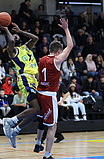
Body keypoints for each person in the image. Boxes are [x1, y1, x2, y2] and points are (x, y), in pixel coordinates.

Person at [35, 18, 73, 159]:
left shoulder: (42, 59)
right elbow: (70, 46)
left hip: (40, 92)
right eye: (61, 52)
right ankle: (47, 155)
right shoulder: (56, 60)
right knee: (52, 126)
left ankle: (38, 142)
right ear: (57, 51)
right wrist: (66, 29)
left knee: (42, 120)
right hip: (49, 95)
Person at [0, 22, 41, 148]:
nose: (15, 37)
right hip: (25, 79)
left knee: (35, 113)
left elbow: (35, 38)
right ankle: (10, 121)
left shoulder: (26, 47)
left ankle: (14, 131)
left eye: (16, 36)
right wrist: (7, 30)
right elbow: (11, 40)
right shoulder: (13, 52)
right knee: (36, 108)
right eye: (13, 36)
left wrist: (20, 31)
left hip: (35, 80)